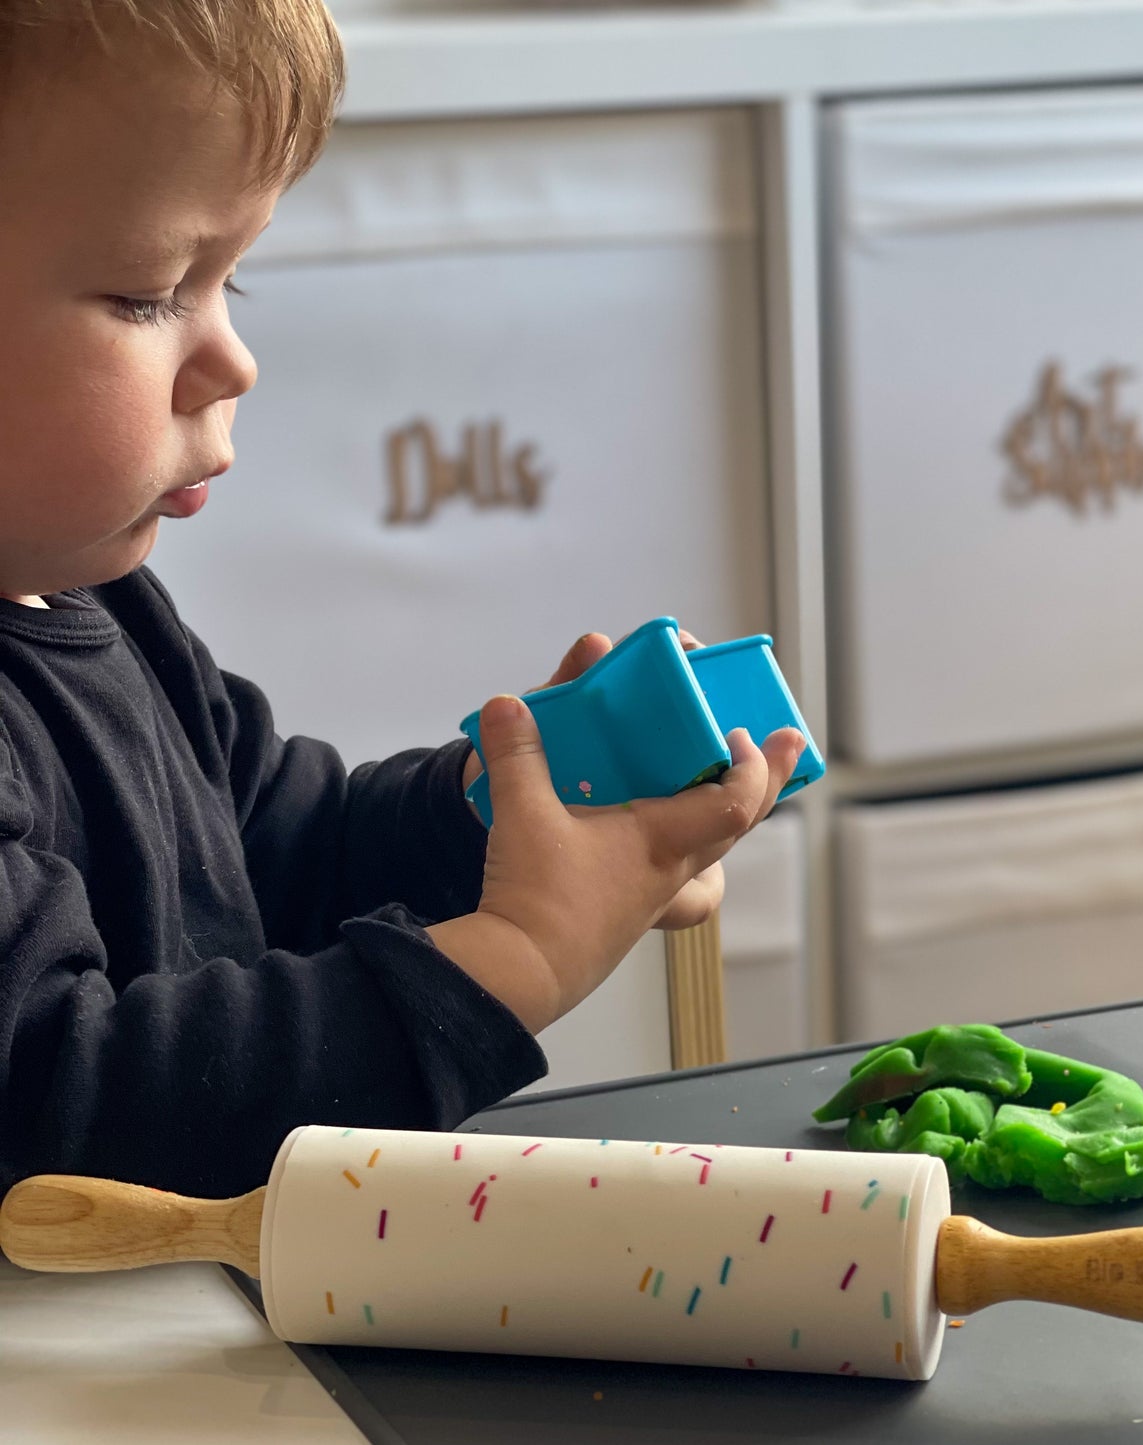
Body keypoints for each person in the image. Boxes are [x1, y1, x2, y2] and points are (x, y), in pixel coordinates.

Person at [0, 0, 803, 1201]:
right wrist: (516, 954)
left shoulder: (108, 610)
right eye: (151, 291)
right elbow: (65, 1107)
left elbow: (282, 851)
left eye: (234, 285)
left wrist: (503, 814)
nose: (232, 361)